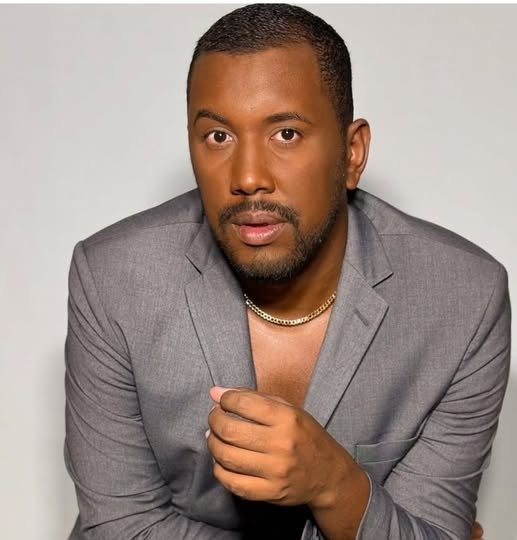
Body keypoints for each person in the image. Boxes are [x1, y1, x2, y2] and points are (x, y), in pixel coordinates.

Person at [64, 4, 510, 539]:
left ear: (352, 153)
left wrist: (333, 483)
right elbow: (122, 527)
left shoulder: (464, 300)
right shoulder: (114, 278)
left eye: (286, 134)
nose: (248, 177)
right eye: (218, 137)